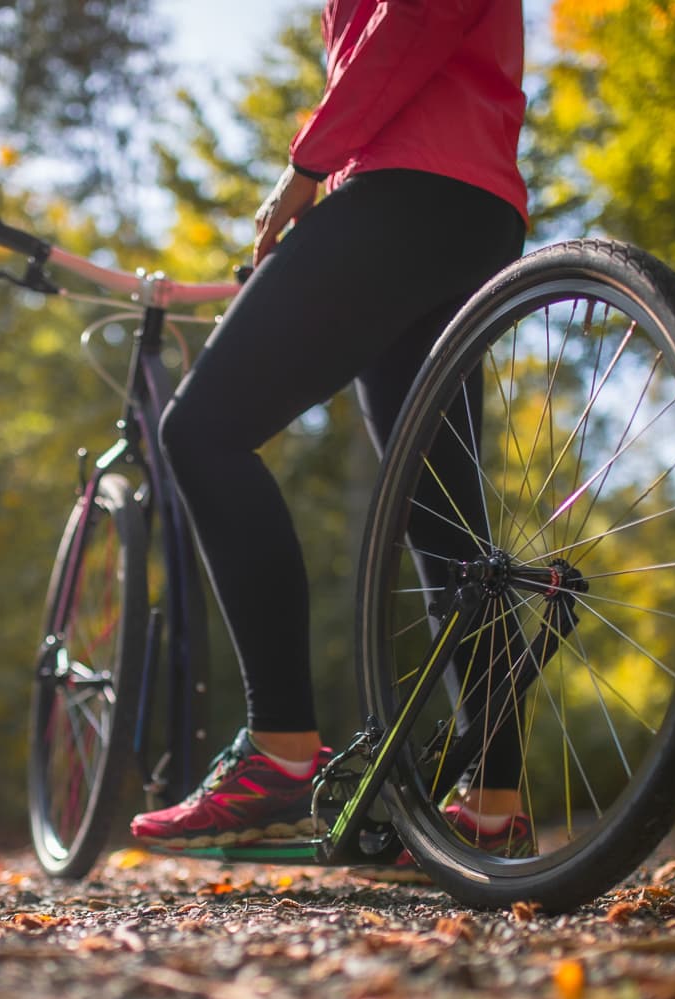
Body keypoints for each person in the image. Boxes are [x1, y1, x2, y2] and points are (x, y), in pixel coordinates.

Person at [128, 0, 533, 872]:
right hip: (471, 205)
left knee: (202, 433)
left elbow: (418, 20)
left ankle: (278, 754)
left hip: (406, 191)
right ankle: (493, 810)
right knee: (445, 526)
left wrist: (308, 166)